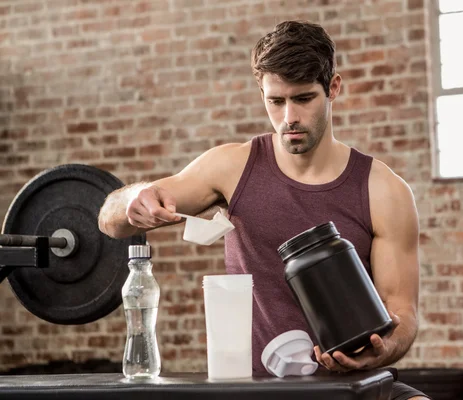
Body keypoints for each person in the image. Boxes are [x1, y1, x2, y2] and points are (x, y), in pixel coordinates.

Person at [98, 20, 429, 400]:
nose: (289, 117)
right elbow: (110, 219)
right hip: (259, 390)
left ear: (333, 88)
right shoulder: (232, 166)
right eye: (276, 101)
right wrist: (135, 201)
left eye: (303, 99)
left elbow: (403, 312)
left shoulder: (383, 190)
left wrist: (384, 347)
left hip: (355, 385)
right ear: (262, 93)